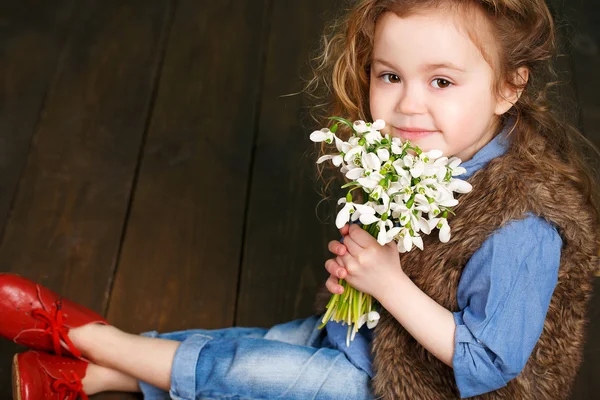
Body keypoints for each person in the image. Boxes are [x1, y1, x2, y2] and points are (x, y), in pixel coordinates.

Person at [1, 0, 599, 398]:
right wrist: (361, 282)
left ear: (506, 87)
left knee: (246, 373)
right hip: (370, 339)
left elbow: (490, 364)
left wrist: (388, 284)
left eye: (441, 81)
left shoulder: (525, 220)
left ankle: (86, 337)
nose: (408, 104)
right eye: (390, 75)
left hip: (413, 389)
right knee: (260, 344)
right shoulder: (430, 148)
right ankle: (96, 378)